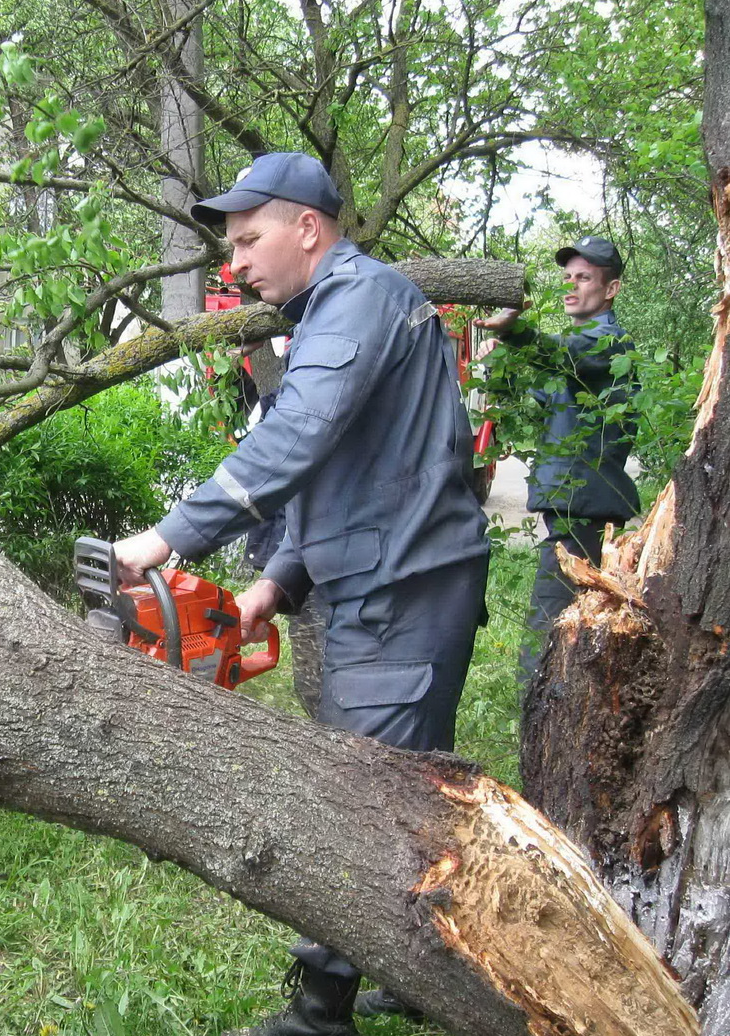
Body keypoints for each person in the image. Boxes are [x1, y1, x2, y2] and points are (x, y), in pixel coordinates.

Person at [112, 152, 490, 1036]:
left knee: (355, 801)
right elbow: (347, 475)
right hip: (389, 577)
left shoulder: (358, 298)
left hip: (400, 589)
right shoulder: (332, 311)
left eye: (248, 238)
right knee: (411, 788)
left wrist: (168, 537)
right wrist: (272, 587)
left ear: (307, 228)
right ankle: (428, 965)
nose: (233, 262)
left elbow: (301, 438)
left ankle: (322, 1012)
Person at [476, 237, 639, 678]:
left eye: (583, 277)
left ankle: (541, 736)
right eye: (567, 277)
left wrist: (515, 331)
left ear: (612, 290)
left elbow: (561, 356)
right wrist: (500, 366)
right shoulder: (576, 353)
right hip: (569, 517)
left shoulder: (608, 343)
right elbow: (531, 406)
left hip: (580, 520)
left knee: (546, 645)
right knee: (567, 640)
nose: (570, 286)